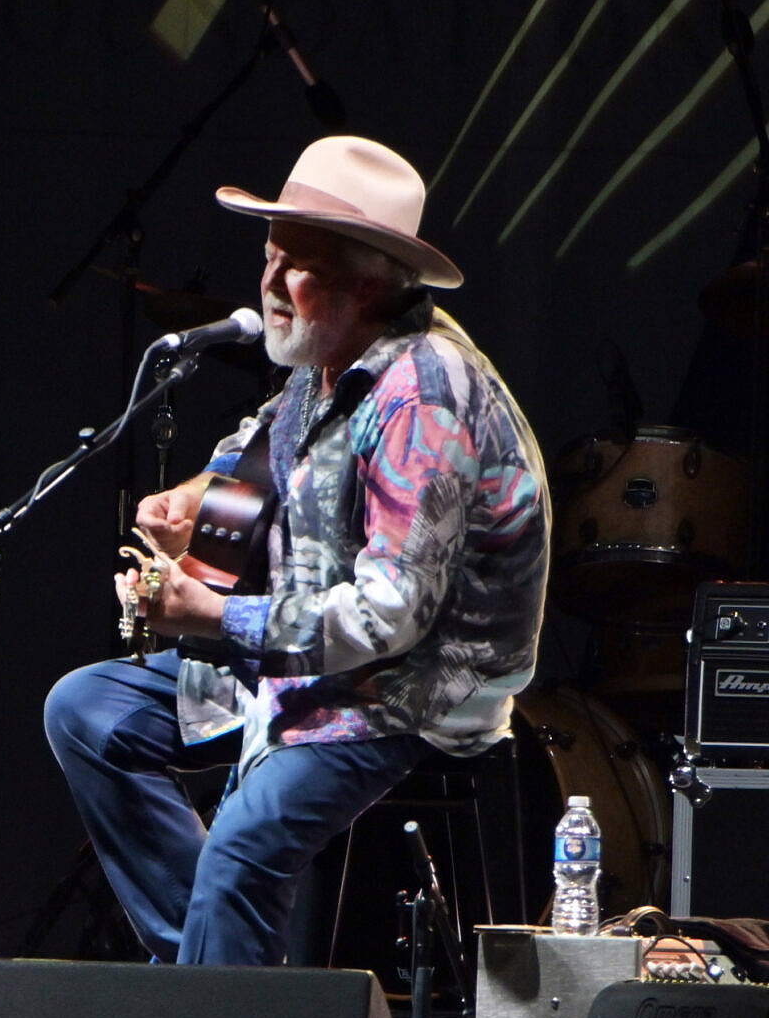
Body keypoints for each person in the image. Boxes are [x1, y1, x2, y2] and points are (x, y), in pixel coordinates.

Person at [43, 135, 549, 967]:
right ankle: (216, 984)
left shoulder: (422, 395)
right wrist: (192, 506)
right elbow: (262, 459)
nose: (271, 284)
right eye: (269, 257)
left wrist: (213, 613)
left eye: (296, 267)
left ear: (369, 283)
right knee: (88, 712)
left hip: (411, 686)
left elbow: (388, 615)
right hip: (313, 656)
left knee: (241, 849)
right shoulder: (324, 362)